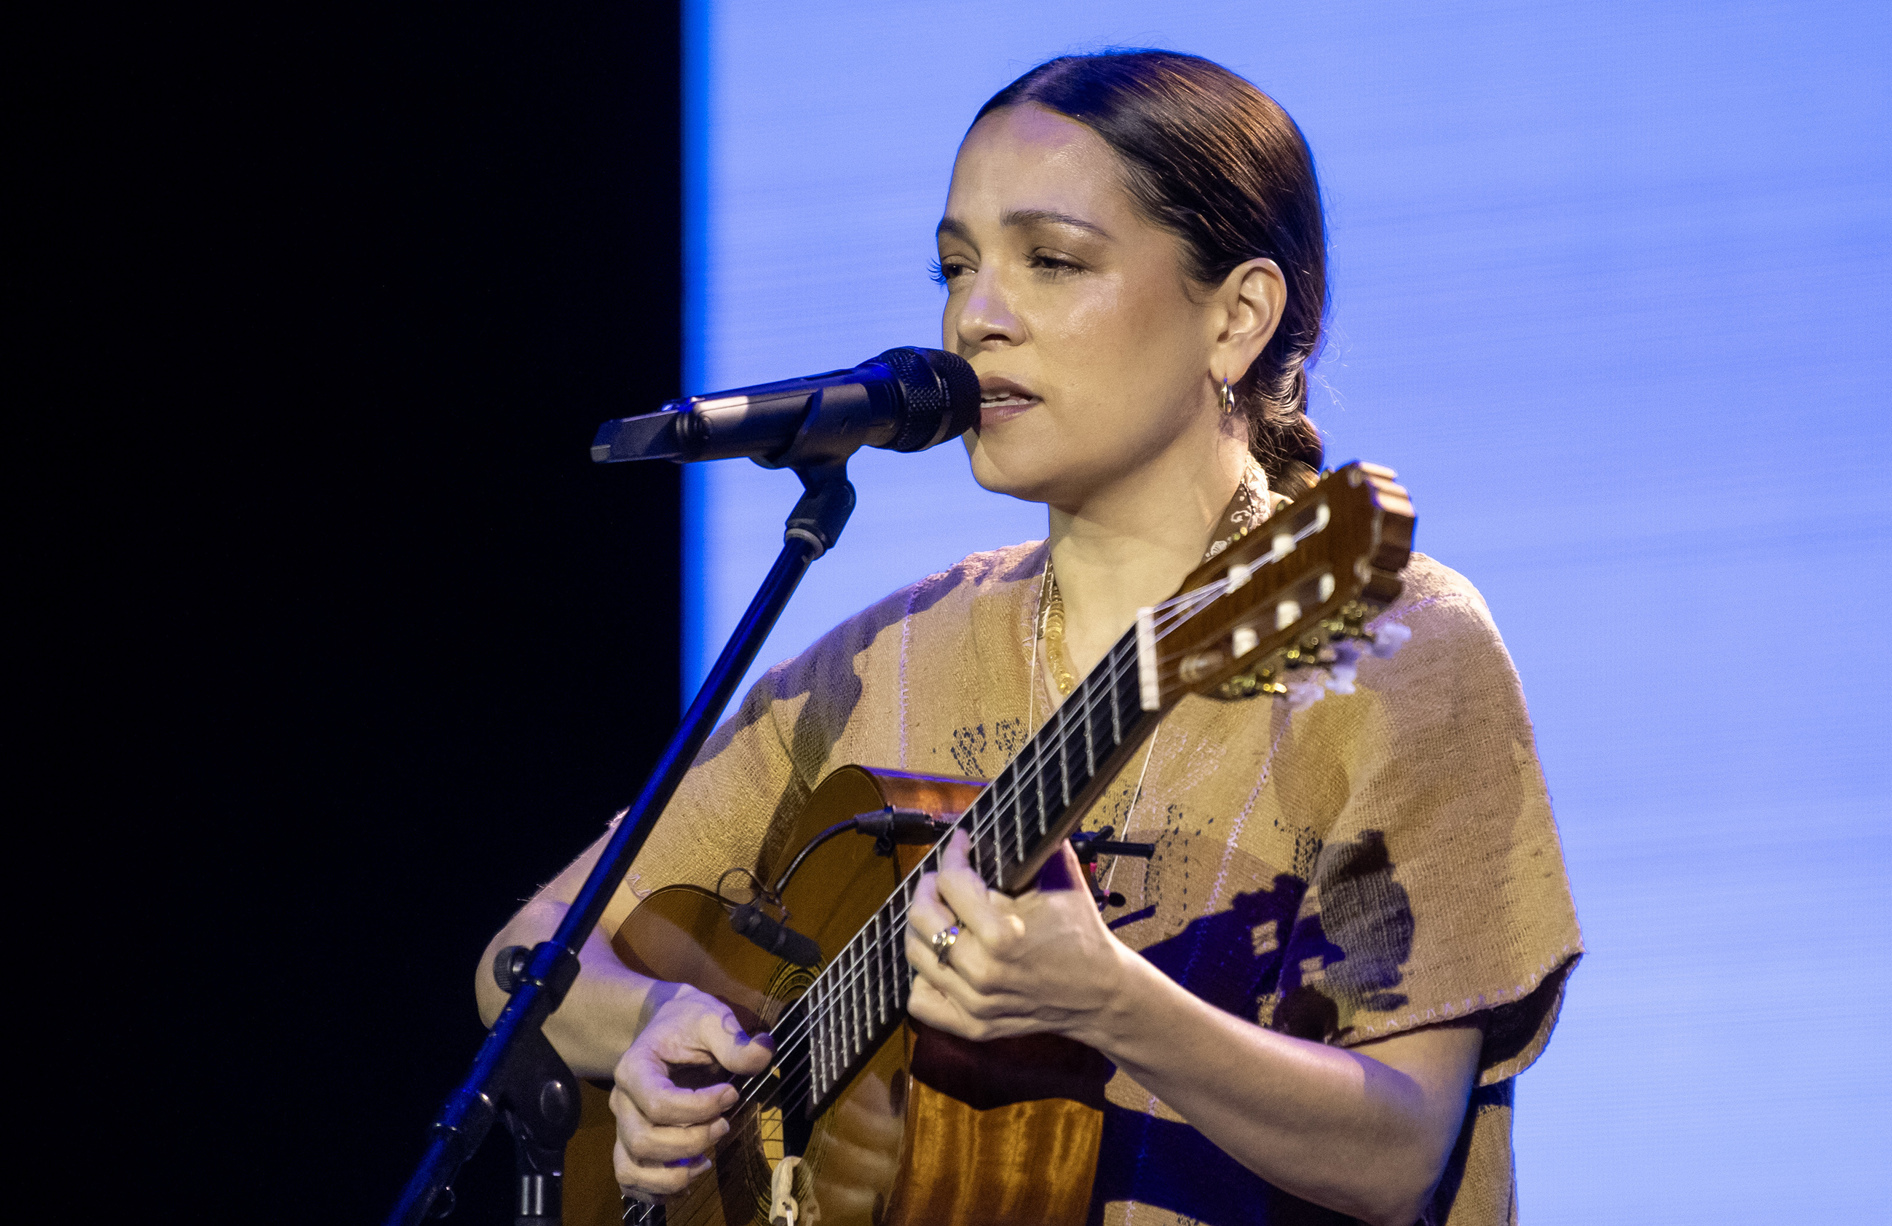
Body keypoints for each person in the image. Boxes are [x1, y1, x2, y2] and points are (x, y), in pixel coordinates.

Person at [479, 50, 1580, 1226]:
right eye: (957, 266)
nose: (975, 318)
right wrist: (655, 1028)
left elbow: (1401, 1149)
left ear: (1239, 315)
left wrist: (1113, 1003)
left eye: (1050, 262)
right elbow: (528, 954)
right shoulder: (894, 651)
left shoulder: (1391, 643)